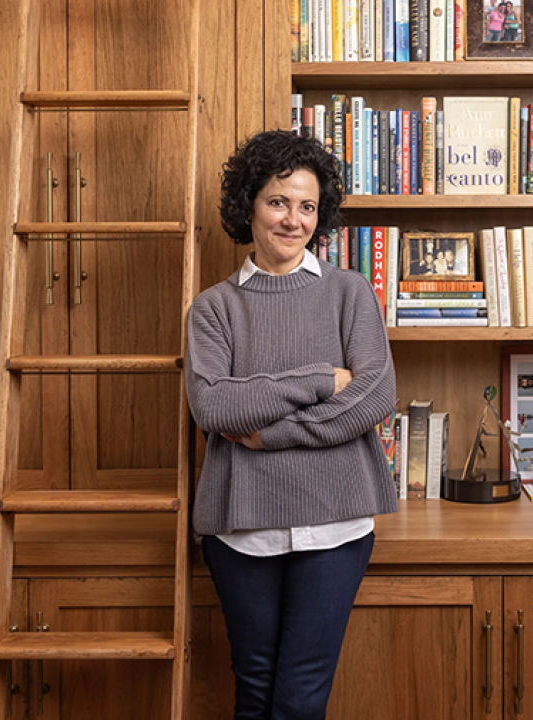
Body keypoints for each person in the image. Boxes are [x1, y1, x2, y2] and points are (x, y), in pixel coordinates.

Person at [186, 130, 398, 720]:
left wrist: (269, 431)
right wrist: (322, 380)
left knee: (301, 699)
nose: (292, 220)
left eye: (307, 207)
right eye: (278, 202)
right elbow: (215, 408)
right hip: (241, 528)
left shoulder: (351, 293)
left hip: (335, 528)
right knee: (253, 691)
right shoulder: (214, 308)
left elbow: (374, 395)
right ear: (249, 205)